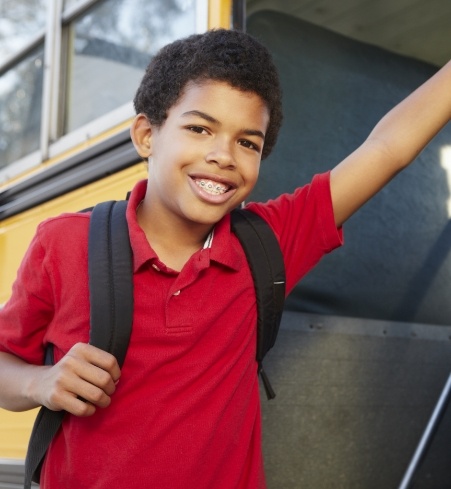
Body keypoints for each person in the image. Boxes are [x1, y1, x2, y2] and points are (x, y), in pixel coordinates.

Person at [0, 28, 450, 489]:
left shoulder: (266, 244)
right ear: (146, 135)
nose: (223, 156)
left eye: (248, 142)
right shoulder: (64, 243)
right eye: (199, 128)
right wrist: (40, 383)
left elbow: (387, 149)